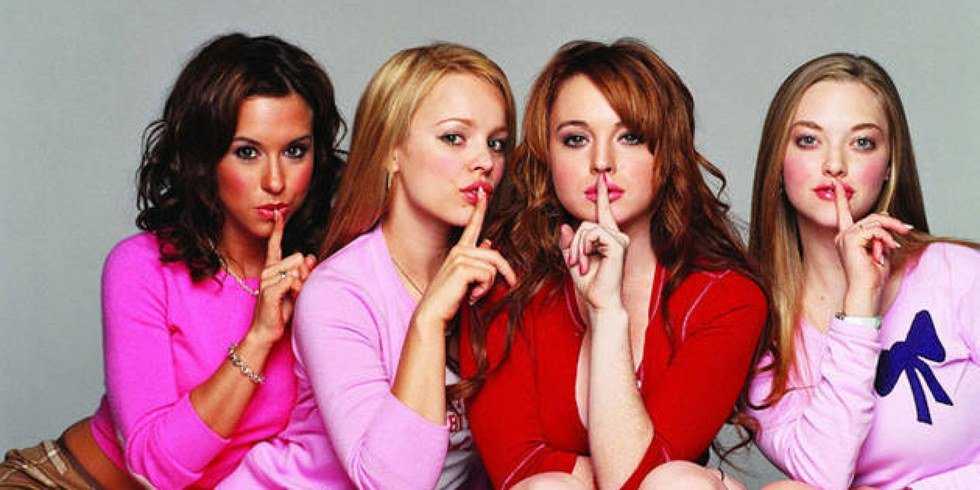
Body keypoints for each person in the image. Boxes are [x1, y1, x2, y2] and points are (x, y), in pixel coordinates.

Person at [0, 33, 345, 489]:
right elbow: (153, 468)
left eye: (295, 151)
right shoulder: (142, 268)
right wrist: (260, 336)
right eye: (247, 152)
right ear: (204, 157)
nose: (276, 181)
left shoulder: (329, 277)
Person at [459, 39, 766, 490]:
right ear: (547, 155)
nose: (601, 162)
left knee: (679, 484)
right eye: (576, 139)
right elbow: (517, 466)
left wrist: (606, 314)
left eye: (630, 137)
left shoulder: (726, 297)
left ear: (667, 152)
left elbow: (646, 479)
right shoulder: (503, 280)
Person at [220, 42, 517, 489]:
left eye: (496, 143)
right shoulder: (337, 291)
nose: (485, 162)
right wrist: (428, 321)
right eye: (454, 138)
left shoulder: (492, 278)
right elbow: (390, 483)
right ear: (391, 151)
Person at [746, 53, 980, 490]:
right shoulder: (761, 328)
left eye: (862, 143)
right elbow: (822, 478)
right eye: (808, 140)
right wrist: (858, 310)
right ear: (777, 160)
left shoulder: (959, 274)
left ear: (890, 165)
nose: (834, 165)